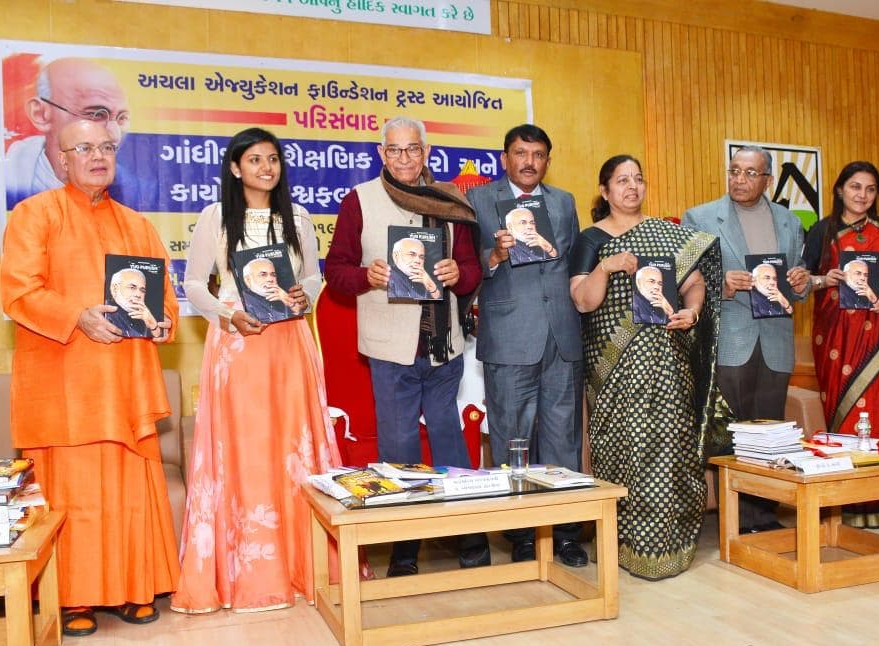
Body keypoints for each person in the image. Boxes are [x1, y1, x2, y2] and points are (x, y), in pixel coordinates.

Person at [0, 119, 178, 636]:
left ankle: (132, 588)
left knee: (126, 491)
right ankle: (71, 597)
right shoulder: (34, 215)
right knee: (72, 494)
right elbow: (18, 292)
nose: (97, 156)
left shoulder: (137, 225)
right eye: (84, 148)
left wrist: (161, 319)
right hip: (65, 382)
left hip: (125, 384)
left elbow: (161, 298)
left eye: (106, 147)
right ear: (59, 157)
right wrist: (77, 315)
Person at [171, 127, 354, 614]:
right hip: (238, 343)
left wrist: (304, 295)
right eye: (254, 160)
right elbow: (192, 283)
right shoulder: (215, 217)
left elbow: (313, 275)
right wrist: (227, 313)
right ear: (235, 168)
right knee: (247, 449)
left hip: (288, 342)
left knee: (293, 448)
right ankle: (251, 575)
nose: (266, 168)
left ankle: (307, 568)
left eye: (272, 159)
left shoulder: (296, 215)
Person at [325, 116, 486, 576]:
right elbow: (336, 272)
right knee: (397, 446)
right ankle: (403, 547)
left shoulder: (451, 200)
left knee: (448, 438)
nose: (403, 159)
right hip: (390, 347)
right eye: (394, 151)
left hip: (443, 345)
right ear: (381, 154)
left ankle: (469, 536)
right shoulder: (358, 201)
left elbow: (473, 271)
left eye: (411, 149)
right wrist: (365, 276)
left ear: (426, 151)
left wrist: (460, 275)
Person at [570, 155, 720, 579]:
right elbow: (582, 301)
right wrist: (606, 265)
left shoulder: (668, 235)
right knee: (622, 449)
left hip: (667, 362)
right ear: (605, 190)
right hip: (612, 367)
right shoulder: (590, 239)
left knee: (668, 447)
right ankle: (622, 542)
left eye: (638, 179)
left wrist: (692, 313)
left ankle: (665, 544)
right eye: (621, 180)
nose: (631, 187)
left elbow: (694, 284)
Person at [467, 124, 587, 567]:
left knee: (563, 440)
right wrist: (494, 257)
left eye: (538, 154)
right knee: (511, 439)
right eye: (520, 153)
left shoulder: (564, 202)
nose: (529, 162)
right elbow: (465, 268)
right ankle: (520, 535)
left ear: (547, 160)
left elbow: (573, 264)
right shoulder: (478, 200)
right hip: (509, 337)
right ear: (505, 157)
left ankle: (567, 534)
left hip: (561, 335)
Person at [682, 145, 809, 533]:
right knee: (730, 434)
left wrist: (802, 282)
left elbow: (797, 280)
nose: (740, 179)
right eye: (734, 171)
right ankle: (733, 518)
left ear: (767, 179)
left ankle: (764, 515)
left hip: (775, 339)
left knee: (771, 433)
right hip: (729, 339)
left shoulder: (789, 221)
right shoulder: (700, 217)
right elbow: (685, 276)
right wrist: (720, 285)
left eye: (750, 173)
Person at [803, 161, 879, 529]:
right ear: (840, 190)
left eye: (870, 189)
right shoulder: (823, 232)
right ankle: (844, 505)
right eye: (855, 187)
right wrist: (827, 279)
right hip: (835, 334)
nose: (862, 196)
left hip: (877, 334)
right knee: (843, 410)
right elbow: (802, 279)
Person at [3, 57, 136, 207]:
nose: (114, 135)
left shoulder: (134, 209)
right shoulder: (11, 178)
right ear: (40, 114)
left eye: (122, 118)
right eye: (96, 114)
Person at [239, 257, 299, 321]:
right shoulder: (243, 302)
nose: (270, 279)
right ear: (248, 280)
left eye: (273, 275)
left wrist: (290, 302)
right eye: (263, 275)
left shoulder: (281, 296)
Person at [105, 267, 159, 337]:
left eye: (142, 290)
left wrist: (152, 324)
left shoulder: (142, 318)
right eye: (132, 288)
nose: (138, 295)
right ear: (115, 289)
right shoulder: (105, 314)